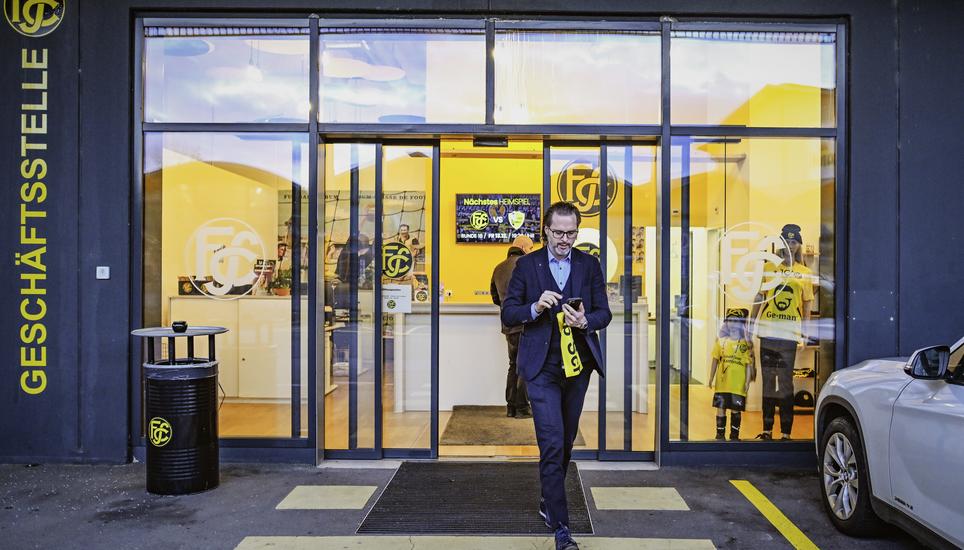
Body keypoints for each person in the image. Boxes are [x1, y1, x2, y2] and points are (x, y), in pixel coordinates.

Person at [501, 201, 612, 550]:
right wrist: (535, 307)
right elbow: (509, 311)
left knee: (564, 442)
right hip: (541, 369)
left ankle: (549, 500)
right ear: (545, 231)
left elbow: (603, 312)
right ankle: (562, 529)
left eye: (572, 233)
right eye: (559, 232)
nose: (566, 239)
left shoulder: (589, 264)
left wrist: (586, 321)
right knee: (550, 443)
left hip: (577, 369)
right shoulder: (526, 266)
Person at [749, 223, 814, 441]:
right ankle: (767, 429)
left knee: (786, 382)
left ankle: (786, 432)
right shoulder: (769, 269)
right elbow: (760, 298)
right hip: (768, 332)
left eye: (794, 241)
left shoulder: (805, 272)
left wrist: (804, 334)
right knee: (768, 380)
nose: (790, 245)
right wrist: (750, 324)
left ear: (799, 245)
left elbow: (806, 306)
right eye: (787, 240)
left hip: (788, 335)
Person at [490, 235, 535, 418]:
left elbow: (494, 297)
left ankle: (511, 407)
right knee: (526, 366)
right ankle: (523, 408)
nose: (531, 251)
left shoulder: (498, 268)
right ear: (523, 247)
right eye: (531, 248)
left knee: (513, 365)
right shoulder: (527, 265)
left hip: (508, 325)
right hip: (526, 324)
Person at [706, 308, 755, 441]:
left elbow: (748, 364)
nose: (733, 324)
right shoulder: (720, 342)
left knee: (735, 410)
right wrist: (711, 377)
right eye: (730, 320)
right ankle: (720, 435)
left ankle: (734, 436)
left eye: (736, 321)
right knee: (720, 408)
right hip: (722, 384)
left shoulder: (745, 344)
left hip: (738, 385)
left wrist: (747, 382)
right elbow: (715, 360)